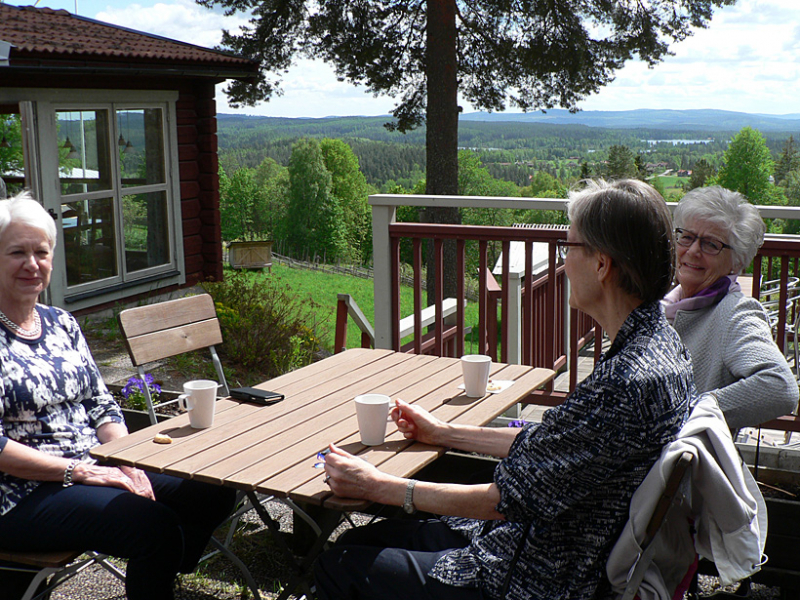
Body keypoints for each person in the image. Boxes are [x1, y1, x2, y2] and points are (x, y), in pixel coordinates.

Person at [314, 179, 696, 600]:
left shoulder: (626, 384)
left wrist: (377, 486)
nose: (563, 264)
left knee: (342, 565)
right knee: (358, 544)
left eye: (567, 249)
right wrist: (442, 432)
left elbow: (504, 500)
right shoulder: (660, 346)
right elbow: (558, 445)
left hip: (534, 576)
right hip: (551, 550)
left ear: (602, 265)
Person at [0, 192, 236, 600]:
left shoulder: (61, 323)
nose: (32, 264)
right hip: (19, 494)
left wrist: (128, 463)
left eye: (41, 251)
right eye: (16, 252)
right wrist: (80, 472)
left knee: (211, 487)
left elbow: (100, 403)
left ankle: (163, 566)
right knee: (151, 526)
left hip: (90, 468)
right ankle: (157, 558)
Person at [663, 186, 798, 433]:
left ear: (736, 261)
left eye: (711, 244)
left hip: (678, 468)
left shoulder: (736, 313)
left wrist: (691, 411)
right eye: (687, 237)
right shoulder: (665, 304)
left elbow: (780, 387)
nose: (692, 250)